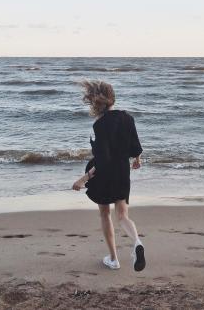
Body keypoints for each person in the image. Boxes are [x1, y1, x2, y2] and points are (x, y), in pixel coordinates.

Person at [72, 80, 146, 272]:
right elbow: (136, 147)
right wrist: (137, 159)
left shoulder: (99, 125)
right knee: (122, 216)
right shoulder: (127, 118)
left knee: (105, 213)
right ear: (112, 97)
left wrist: (85, 178)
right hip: (122, 171)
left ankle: (114, 259)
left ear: (95, 102)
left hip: (104, 175)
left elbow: (102, 160)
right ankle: (137, 242)